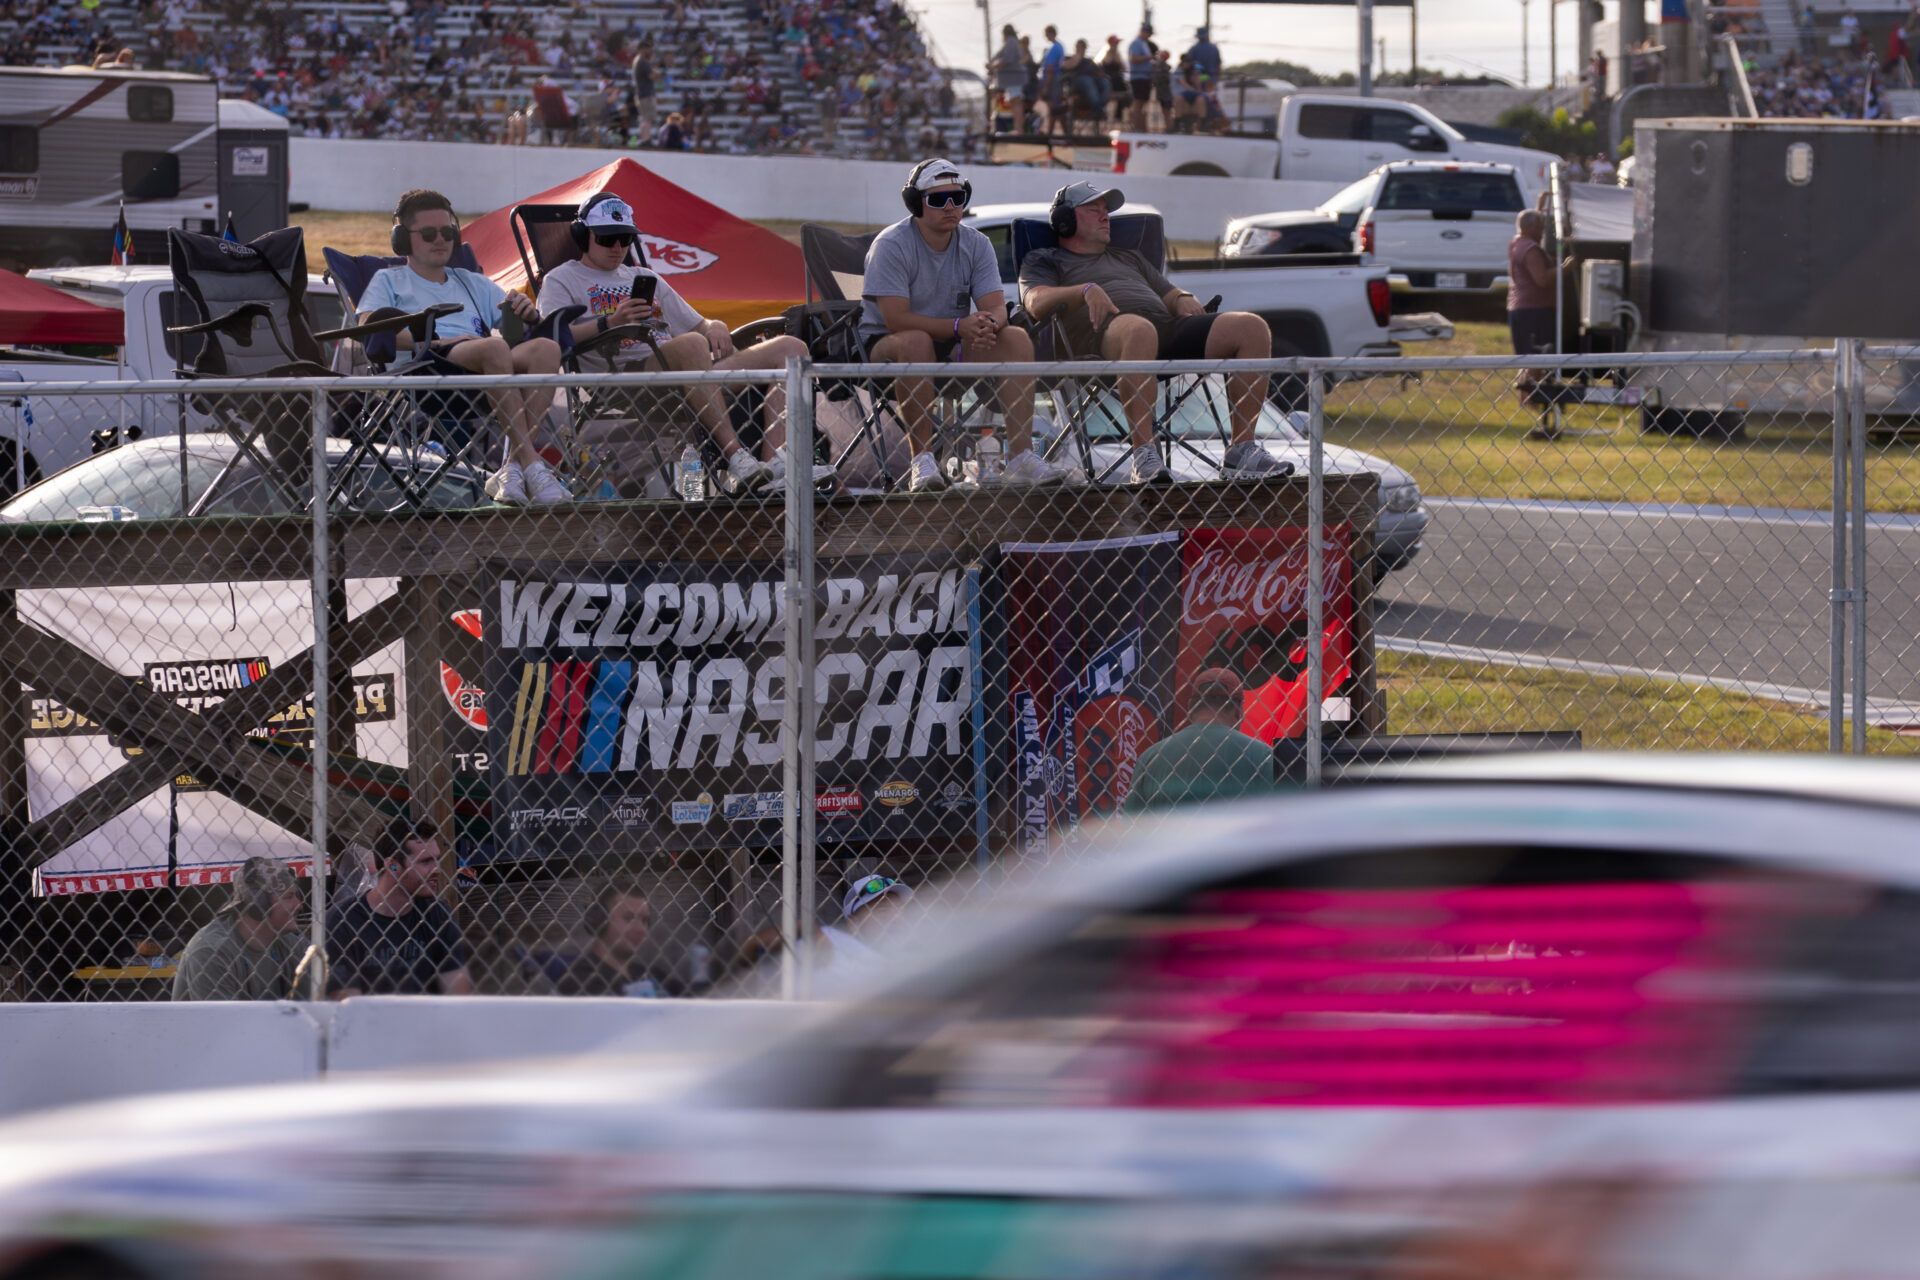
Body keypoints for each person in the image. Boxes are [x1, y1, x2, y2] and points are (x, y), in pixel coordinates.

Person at [535, 191, 821, 493]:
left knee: (792, 348)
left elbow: (700, 324)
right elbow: (553, 336)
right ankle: (735, 455)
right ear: (583, 236)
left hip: (689, 375)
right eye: (607, 239)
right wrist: (611, 322)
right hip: (626, 381)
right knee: (692, 345)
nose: (618, 247)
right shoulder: (561, 280)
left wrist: (717, 325)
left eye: (624, 238)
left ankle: (776, 464)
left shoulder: (645, 276)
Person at [1019, 182, 1287, 485]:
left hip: (1162, 327)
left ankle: (1242, 450)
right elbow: (1035, 302)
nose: (1105, 216)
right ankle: (1144, 454)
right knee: (1139, 330)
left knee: (1251, 327)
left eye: (1106, 210)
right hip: (1102, 334)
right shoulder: (1044, 259)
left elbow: (1168, 294)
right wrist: (1084, 291)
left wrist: (1182, 296)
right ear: (1065, 220)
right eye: (1093, 210)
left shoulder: (1129, 258)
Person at [860, 158, 1068, 492]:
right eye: (939, 200)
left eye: (958, 197)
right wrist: (960, 326)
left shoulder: (976, 243)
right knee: (915, 340)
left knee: (1014, 338)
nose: (951, 207)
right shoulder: (891, 244)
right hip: (889, 346)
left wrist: (988, 324)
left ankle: (1020, 456)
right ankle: (922, 462)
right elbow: (894, 319)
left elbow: (996, 306)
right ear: (917, 204)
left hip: (953, 342)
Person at [360, 188, 570, 506]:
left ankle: (513, 466)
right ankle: (533, 465)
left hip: (485, 376)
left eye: (447, 232)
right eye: (429, 233)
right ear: (402, 240)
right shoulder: (388, 281)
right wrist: (436, 339)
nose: (440, 240)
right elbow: (367, 326)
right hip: (427, 371)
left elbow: (511, 328)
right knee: (494, 349)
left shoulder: (471, 281)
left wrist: (524, 312)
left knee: (546, 348)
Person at [325, 816, 474, 997]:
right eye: (425, 861)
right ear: (393, 866)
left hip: (430, 1022)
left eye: (437, 860)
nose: (437, 869)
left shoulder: (437, 913)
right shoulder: (343, 920)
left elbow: (458, 995)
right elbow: (350, 1009)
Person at [1124, 668, 1274, 812]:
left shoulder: (1150, 758)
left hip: (1169, 837)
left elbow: (1132, 827)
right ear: (1238, 711)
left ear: (1190, 708)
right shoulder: (1263, 756)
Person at [171, 856, 303, 1001]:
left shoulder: (288, 943)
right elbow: (221, 1022)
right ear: (259, 903)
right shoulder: (212, 950)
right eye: (289, 897)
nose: (299, 905)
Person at [553, 881, 682, 997]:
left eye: (645, 920)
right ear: (599, 920)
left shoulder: (649, 973)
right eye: (629, 918)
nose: (641, 929)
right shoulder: (580, 980)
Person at [1507, 209, 1560, 440]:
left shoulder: (1516, 243)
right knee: (1536, 357)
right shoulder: (1530, 249)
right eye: (1539, 227)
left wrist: (1541, 202)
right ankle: (1531, 400)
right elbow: (1541, 279)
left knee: (1528, 357)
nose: (1542, 232)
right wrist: (1565, 268)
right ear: (1529, 228)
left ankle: (1529, 397)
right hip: (1533, 310)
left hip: (1519, 309)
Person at [993, 24, 1027, 131]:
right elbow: (1001, 56)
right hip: (1013, 79)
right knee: (1015, 103)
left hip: (1014, 78)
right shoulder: (1012, 42)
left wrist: (993, 66)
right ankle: (1018, 129)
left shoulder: (1011, 42)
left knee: (1016, 104)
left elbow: (1007, 60)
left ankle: (1019, 129)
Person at [1126, 22, 1156, 131]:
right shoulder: (1136, 43)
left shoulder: (1144, 44)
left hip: (1145, 78)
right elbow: (1133, 59)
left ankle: (1141, 127)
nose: (1150, 36)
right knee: (1138, 103)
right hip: (1138, 77)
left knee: (1142, 103)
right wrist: (1149, 58)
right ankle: (1136, 127)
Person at [1037, 24, 1066, 133]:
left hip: (1053, 80)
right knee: (1054, 108)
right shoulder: (1058, 46)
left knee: (1054, 107)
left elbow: (1050, 68)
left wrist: (1046, 86)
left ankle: (1049, 132)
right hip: (1054, 79)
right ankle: (1050, 132)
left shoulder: (1055, 48)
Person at [629, 44, 656, 138]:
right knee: (648, 118)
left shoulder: (637, 60)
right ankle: (646, 139)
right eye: (649, 49)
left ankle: (644, 138)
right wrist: (659, 74)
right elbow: (652, 76)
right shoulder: (643, 62)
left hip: (641, 93)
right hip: (646, 94)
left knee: (644, 118)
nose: (651, 51)